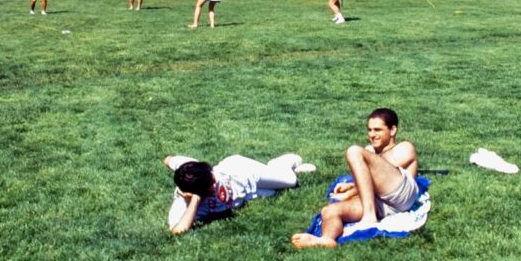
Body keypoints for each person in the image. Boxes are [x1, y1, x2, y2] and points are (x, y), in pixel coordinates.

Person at [291, 108, 419, 249]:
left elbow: (381, 175)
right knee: (329, 211)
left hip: (400, 196)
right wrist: (352, 186)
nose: (372, 134)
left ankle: (369, 216)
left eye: (377, 130)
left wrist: (352, 191)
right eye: (369, 130)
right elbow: (372, 178)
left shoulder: (404, 148)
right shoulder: (370, 151)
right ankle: (326, 239)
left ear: (392, 130)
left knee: (354, 151)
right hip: (379, 202)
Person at [164, 153, 313, 235]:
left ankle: (282, 164)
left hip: (244, 171)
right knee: (273, 192)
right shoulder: (184, 204)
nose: (214, 180)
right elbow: (177, 231)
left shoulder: (191, 169)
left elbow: (168, 159)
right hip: (248, 193)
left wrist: (171, 162)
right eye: (211, 183)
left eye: (211, 176)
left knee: (291, 182)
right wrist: (195, 201)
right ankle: (277, 171)